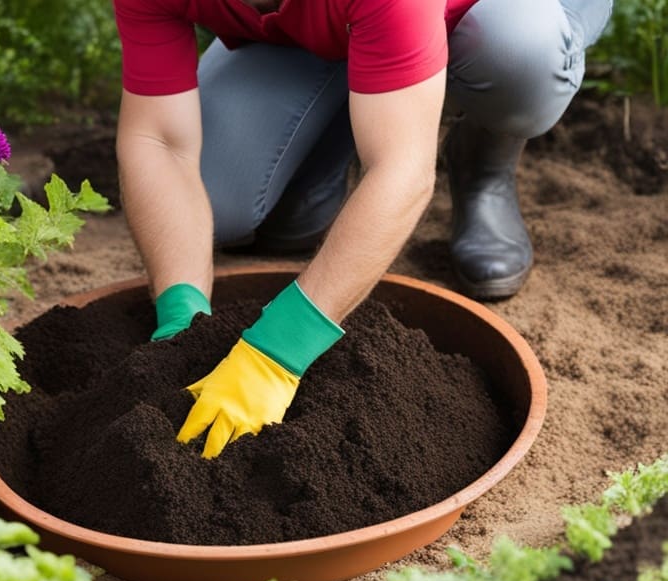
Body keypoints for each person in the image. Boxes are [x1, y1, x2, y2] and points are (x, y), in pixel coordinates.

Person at [112, 0, 613, 458]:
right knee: (219, 199)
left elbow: (403, 170)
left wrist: (277, 351)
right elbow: (158, 140)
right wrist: (181, 314)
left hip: (500, 21)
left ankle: (484, 163)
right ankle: (361, 109)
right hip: (336, 21)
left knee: (518, 58)